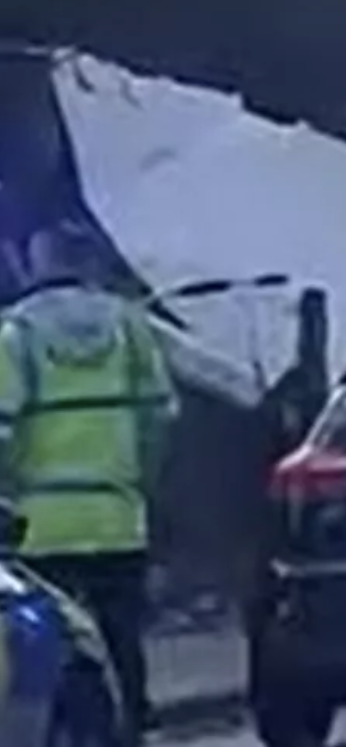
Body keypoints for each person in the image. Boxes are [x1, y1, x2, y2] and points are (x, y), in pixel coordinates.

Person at [0, 225, 177, 742]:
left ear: (36, 264)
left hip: (37, 528)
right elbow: (159, 418)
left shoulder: (16, 335)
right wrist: (138, 481)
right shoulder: (131, 329)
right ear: (90, 264)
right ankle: (130, 729)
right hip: (118, 520)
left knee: (52, 651)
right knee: (122, 642)